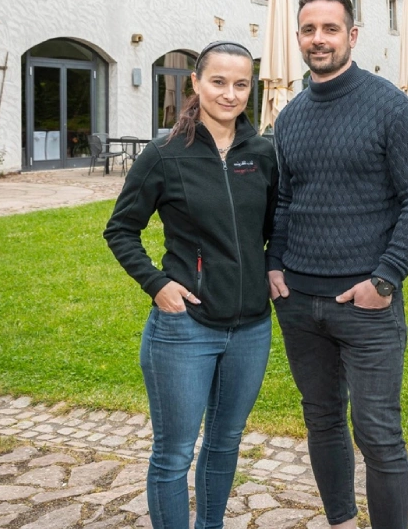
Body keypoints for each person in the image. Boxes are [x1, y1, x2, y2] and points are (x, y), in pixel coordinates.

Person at [266, 0, 408, 529]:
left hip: (367, 305)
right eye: (309, 30)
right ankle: (341, 522)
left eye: (330, 29)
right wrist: (274, 261)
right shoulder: (290, 117)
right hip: (299, 303)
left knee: (378, 433)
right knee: (321, 420)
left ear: (352, 35)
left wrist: (385, 280)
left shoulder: (391, 108)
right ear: (298, 37)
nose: (318, 39)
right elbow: (286, 199)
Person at [104, 41, 278, 529]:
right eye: (218, 82)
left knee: (225, 442)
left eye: (240, 84)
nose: (229, 94)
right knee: (174, 453)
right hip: (185, 329)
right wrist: (157, 284)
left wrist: (274, 267)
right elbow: (121, 229)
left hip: (251, 329)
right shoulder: (164, 155)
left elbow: (276, 226)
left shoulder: (262, 154)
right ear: (196, 83)